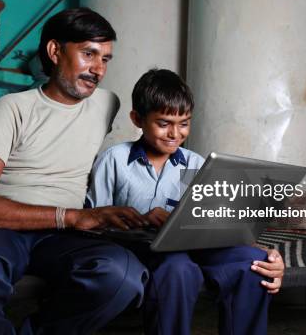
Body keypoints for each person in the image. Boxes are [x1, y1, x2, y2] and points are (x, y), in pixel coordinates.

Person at [0, 8, 150, 335]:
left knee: (121, 275)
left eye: (106, 59)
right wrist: (73, 216)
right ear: (55, 51)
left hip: (62, 239)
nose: (98, 69)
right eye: (88, 54)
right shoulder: (13, 107)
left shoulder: (107, 103)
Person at [86, 69, 285, 335]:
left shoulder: (196, 164)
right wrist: (142, 218)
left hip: (194, 247)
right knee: (178, 268)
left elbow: (219, 224)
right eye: (164, 123)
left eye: (184, 123)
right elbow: (92, 224)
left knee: (254, 262)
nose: (175, 133)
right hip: (140, 251)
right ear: (138, 119)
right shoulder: (114, 160)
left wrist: (268, 253)